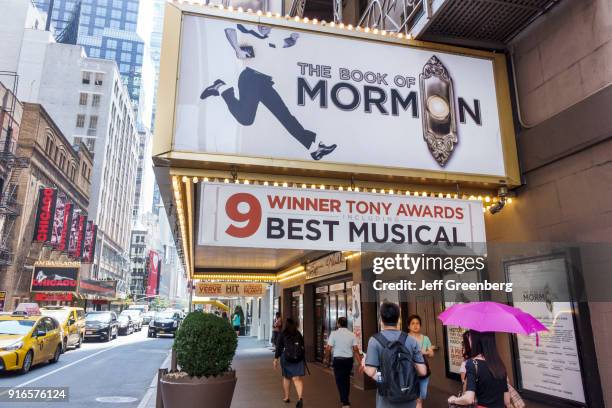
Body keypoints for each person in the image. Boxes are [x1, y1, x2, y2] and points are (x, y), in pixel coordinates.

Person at [200, 23, 337, 161]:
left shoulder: (273, 41)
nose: (263, 27)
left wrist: (293, 39)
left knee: (285, 116)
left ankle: (316, 148)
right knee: (246, 119)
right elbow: (229, 30)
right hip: (250, 79)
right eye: (261, 25)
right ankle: (221, 88)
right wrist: (237, 49)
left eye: (267, 26)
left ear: (271, 28)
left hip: (265, 83)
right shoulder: (250, 33)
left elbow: (286, 43)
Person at [362, 302, 427, 408]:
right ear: (398, 318)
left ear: (381, 319)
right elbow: (423, 371)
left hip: (386, 401)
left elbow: (370, 372)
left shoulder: (374, 340)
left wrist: (365, 363)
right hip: (409, 399)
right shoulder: (410, 339)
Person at [447, 330, 511, 408]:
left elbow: (469, 399)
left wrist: (453, 400)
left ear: (476, 340)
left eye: (470, 337)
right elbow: (507, 400)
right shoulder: (499, 364)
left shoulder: (472, 364)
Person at [324, 317, 363, 408]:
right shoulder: (351, 334)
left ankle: (345, 401)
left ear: (338, 324)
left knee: (339, 380)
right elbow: (355, 350)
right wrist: (360, 362)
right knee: (346, 380)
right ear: (346, 324)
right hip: (348, 361)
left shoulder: (334, 334)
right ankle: (345, 399)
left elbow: (328, 348)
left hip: (338, 361)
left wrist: (326, 359)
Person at [274, 318, 306, 408]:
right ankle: (300, 398)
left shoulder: (283, 334)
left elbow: (279, 347)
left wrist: (276, 359)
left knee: (287, 377)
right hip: (298, 359)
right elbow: (303, 346)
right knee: (297, 379)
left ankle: (287, 397)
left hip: (286, 358)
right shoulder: (298, 334)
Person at [407, 315, 434, 408]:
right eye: (413, 323)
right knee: (417, 399)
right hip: (409, 372)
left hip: (423, 372)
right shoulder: (405, 338)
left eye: (417, 323)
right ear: (408, 326)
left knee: (422, 396)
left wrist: (425, 352)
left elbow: (431, 354)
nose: (415, 325)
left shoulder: (425, 338)